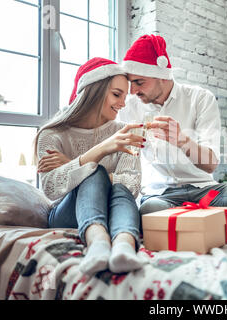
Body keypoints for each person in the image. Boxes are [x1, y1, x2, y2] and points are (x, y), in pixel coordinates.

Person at [119, 34, 227, 225]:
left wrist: (182, 140)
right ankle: (203, 219)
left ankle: (186, 219)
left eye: (139, 82)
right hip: (161, 195)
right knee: (150, 211)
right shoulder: (129, 107)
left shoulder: (200, 99)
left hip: (204, 191)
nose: (133, 91)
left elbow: (210, 164)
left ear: (161, 76)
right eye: (131, 83)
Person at [34, 57, 146, 276]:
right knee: (95, 172)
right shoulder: (52, 134)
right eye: (116, 94)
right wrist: (99, 151)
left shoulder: (127, 132)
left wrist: (71, 163)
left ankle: (124, 245)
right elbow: (50, 188)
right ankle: (98, 242)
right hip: (67, 213)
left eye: (125, 96)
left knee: (112, 182)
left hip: (115, 208)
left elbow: (132, 185)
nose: (122, 103)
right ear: (94, 92)